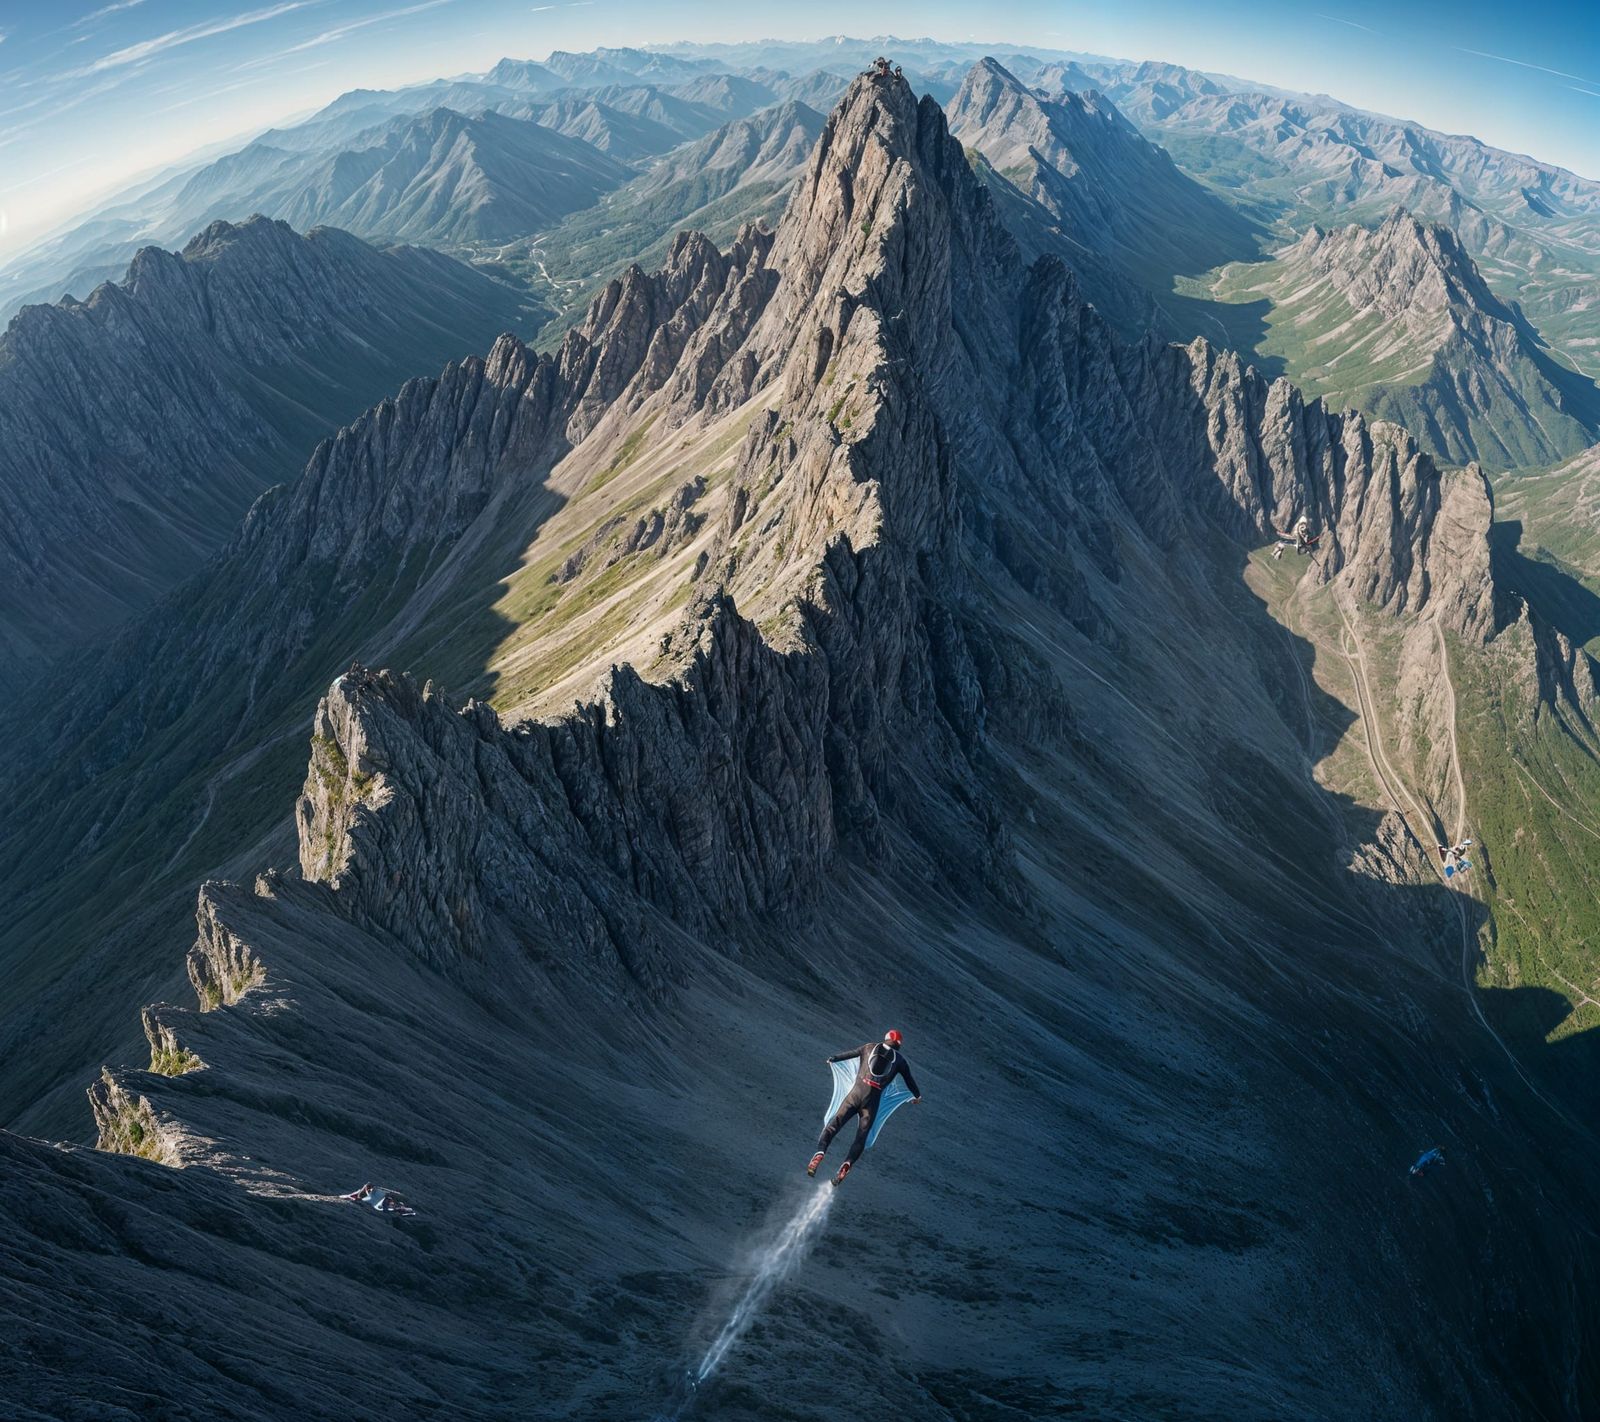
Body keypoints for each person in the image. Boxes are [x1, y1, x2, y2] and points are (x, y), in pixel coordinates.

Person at [808, 1029, 921, 1186]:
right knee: (861, 1138)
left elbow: (849, 1054)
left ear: (886, 1038)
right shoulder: (900, 1061)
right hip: (871, 1104)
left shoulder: (869, 1047)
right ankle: (847, 1163)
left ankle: (820, 1153)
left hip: (854, 1096)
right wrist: (917, 1096)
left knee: (833, 1126)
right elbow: (910, 1081)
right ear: (899, 1044)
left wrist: (833, 1059)